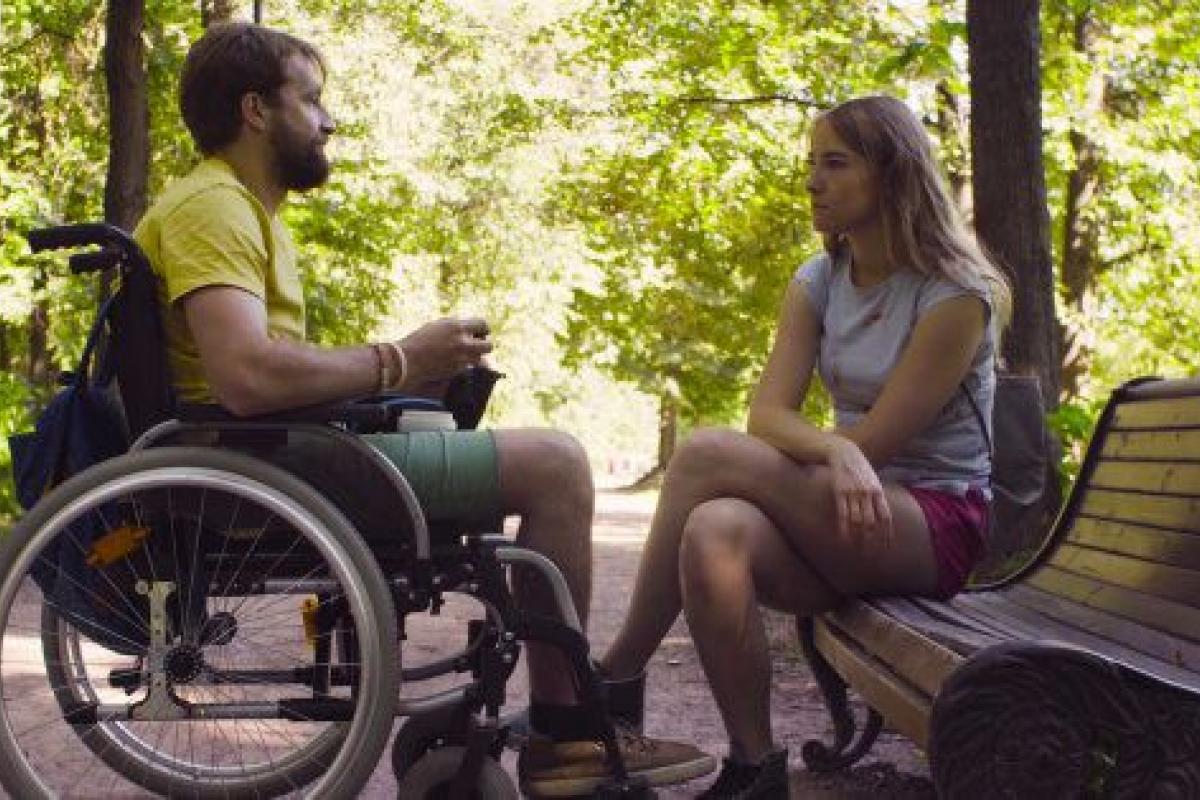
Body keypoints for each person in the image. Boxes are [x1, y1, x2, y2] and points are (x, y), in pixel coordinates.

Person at [133, 22, 714, 797]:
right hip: (257, 467)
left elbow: (258, 371)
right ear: (256, 110)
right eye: (312, 100)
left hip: (273, 454)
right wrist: (399, 359)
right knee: (558, 465)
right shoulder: (214, 208)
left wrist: (405, 382)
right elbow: (244, 378)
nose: (329, 120)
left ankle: (559, 723)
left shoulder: (238, 210)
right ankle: (565, 735)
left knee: (491, 434)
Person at [596, 95, 1010, 799]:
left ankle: (610, 681)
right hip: (846, 515)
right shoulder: (820, 280)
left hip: (933, 523)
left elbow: (877, 441)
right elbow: (767, 415)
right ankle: (755, 766)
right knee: (714, 530)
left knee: (703, 454)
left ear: (892, 173)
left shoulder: (958, 295)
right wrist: (836, 451)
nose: (813, 182)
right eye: (811, 164)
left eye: (835, 164)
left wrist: (845, 450)